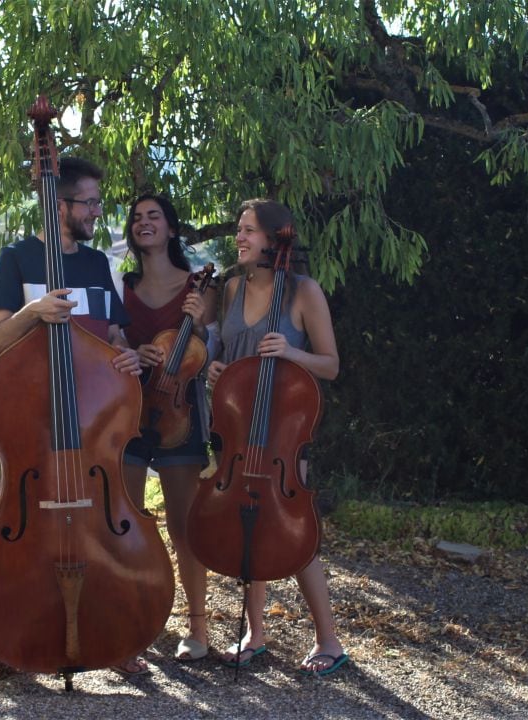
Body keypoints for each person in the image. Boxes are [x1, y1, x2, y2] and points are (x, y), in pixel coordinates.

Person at [0, 157, 145, 680]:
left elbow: (113, 337)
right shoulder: (19, 258)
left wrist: (128, 355)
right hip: (35, 428)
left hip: (92, 425)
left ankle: (120, 637)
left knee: (108, 528)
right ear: (60, 205)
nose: (97, 211)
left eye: (97, 202)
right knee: (20, 537)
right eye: (89, 202)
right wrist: (33, 312)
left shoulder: (95, 265)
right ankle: (7, 642)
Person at [205, 198, 349, 678]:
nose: (240, 238)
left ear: (275, 239)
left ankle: (329, 640)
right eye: (240, 230)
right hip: (237, 430)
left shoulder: (304, 292)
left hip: (284, 431)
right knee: (249, 525)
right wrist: (215, 371)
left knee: (297, 535)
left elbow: (329, 364)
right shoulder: (230, 290)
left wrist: (291, 351)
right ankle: (255, 633)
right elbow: (225, 353)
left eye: (248, 231)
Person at [118, 194, 217, 663]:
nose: (144, 223)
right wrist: (137, 353)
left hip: (182, 413)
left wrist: (201, 324)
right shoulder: (124, 285)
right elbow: (114, 342)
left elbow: (212, 357)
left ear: (172, 229)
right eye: (137, 218)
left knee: (183, 524)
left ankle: (197, 628)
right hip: (131, 409)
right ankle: (130, 621)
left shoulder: (198, 289)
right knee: (127, 522)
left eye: (154, 216)